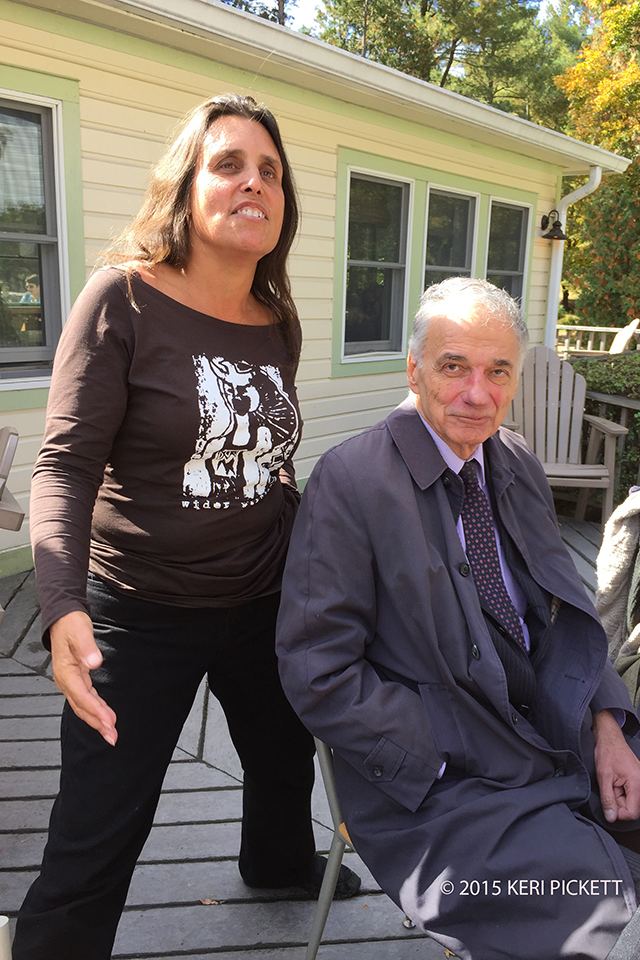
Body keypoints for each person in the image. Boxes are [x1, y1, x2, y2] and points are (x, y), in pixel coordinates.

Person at [275, 276, 640, 960]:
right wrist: (448, 752)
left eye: (497, 371)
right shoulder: (351, 483)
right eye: (454, 367)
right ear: (414, 369)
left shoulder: (512, 461)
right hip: (443, 790)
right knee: (609, 922)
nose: (476, 394)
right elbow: (317, 671)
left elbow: (564, 605)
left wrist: (607, 727)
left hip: (558, 737)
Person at [14, 92, 359, 960]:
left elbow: (265, 460)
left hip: (262, 595)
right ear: (187, 186)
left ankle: (278, 862)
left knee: (282, 756)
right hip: (137, 610)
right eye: (230, 164)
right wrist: (63, 608)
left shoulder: (275, 320)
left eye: (270, 171)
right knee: (98, 822)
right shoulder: (120, 300)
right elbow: (63, 466)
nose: (254, 182)